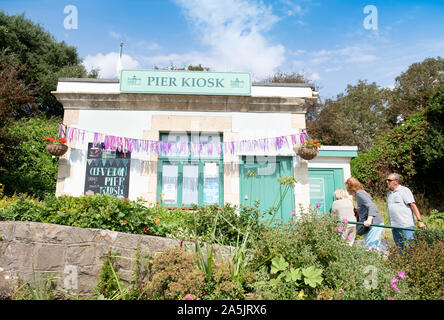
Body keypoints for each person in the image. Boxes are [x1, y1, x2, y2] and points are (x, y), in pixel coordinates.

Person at [386, 173, 425, 251]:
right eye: (387, 180)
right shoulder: (389, 194)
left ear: (396, 181)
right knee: (400, 249)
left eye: (389, 180)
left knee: (410, 248)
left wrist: (419, 221)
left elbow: (413, 205)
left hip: (406, 226)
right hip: (394, 226)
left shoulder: (404, 190)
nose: (387, 182)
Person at [345, 177, 385, 252]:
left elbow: (371, 205)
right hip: (373, 224)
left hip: (375, 223)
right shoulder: (359, 194)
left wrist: (369, 220)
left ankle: (372, 263)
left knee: (370, 248)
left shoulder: (360, 193)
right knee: (372, 247)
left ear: (350, 187)